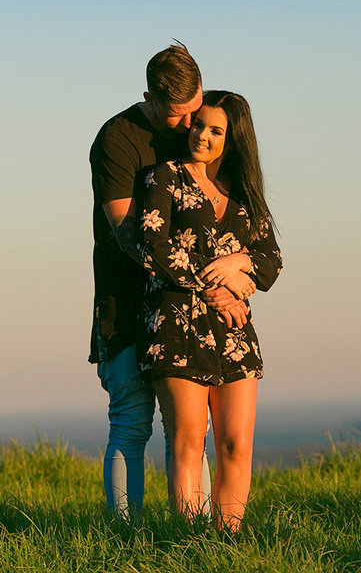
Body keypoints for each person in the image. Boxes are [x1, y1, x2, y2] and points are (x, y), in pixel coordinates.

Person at [89, 41, 239, 518]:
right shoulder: (117, 140)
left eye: (195, 112)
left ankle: (199, 539)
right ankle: (122, 536)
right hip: (127, 300)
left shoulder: (201, 129)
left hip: (189, 309)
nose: (190, 127)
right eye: (178, 116)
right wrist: (208, 281)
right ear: (149, 99)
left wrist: (238, 271)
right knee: (132, 420)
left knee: (192, 431)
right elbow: (129, 234)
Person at [137, 90, 282, 531]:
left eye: (215, 130)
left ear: (233, 139)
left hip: (234, 333)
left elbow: (272, 262)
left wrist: (241, 267)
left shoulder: (245, 194)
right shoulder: (164, 178)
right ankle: (188, 542)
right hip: (178, 325)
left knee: (236, 445)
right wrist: (215, 284)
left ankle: (228, 541)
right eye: (197, 125)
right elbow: (152, 246)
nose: (201, 135)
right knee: (187, 442)